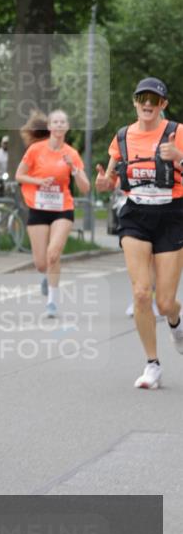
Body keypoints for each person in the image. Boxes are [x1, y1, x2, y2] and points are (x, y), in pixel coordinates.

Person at [96, 77, 183, 390]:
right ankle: (152, 364)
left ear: (163, 105)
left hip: (172, 215)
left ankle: (176, 324)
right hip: (135, 215)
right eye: (142, 98)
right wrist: (106, 184)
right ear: (135, 102)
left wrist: (179, 159)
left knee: (167, 300)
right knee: (142, 293)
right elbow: (111, 178)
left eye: (154, 99)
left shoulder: (178, 133)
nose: (147, 104)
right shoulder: (122, 137)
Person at [15, 109, 90, 316]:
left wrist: (74, 170)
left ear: (66, 127)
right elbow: (19, 175)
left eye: (62, 122)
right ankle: (46, 276)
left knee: (53, 254)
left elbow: (85, 188)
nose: (58, 125)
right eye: (55, 122)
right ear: (49, 127)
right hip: (38, 208)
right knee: (40, 263)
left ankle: (52, 302)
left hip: (62, 209)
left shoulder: (72, 154)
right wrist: (38, 181)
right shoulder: (35, 150)